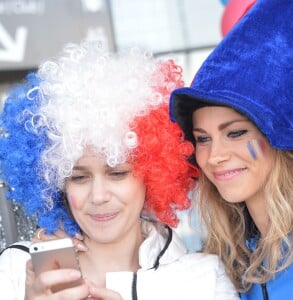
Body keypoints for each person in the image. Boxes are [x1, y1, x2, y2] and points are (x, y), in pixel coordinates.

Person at [0, 41, 239, 299]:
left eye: (117, 173)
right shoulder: (17, 270)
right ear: (57, 183)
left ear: (153, 174)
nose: (99, 195)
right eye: (79, 177)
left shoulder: (203, 279)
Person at [169, 0, 293, 299]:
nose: (215, 156)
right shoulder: (219, 267)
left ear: (278, 140)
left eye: (236, 133)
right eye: (202, 139)